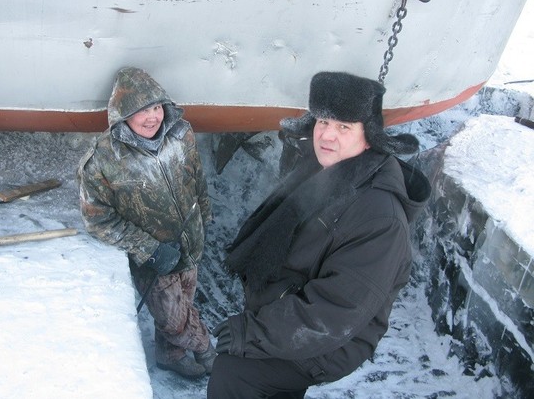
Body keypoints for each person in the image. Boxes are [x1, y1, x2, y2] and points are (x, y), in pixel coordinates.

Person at [207, 71, 431, 398]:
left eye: (343, 127)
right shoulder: (326, 170)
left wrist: (253, 332)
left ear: (368, 137)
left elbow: (338, 310)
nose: (327, 135)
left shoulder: (380, 216)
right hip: (301, 310)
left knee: (235, 374)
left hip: (337, 337)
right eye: (323, 122)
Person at [77, 67, 216, 379]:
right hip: (153, 260)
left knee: (182, 303)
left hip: (190, 245)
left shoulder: (180, 134)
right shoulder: (103, 160)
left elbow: (197, 178)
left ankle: (170, 356)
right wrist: (149, 249)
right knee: (174, 320)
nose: (153, 117)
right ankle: (207, 349)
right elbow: (97, 219)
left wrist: (204, 217)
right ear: (124, 113)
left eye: (156, 107)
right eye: (142, 110)